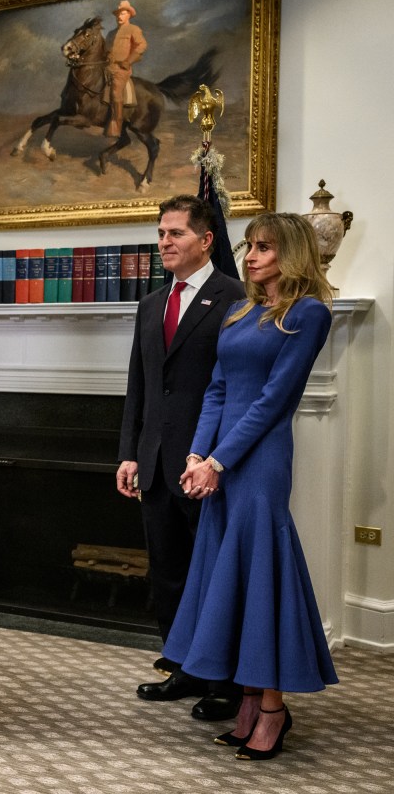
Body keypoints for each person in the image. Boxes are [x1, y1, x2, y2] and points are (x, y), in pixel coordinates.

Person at [165, 212, 339, 761]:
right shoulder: (240, 311)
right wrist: (197, 454)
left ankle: (272, 709)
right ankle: (247, 701)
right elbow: (217, 389)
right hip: (220, 458)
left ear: (293, 253)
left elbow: (273, 401)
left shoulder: (308, 313)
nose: (253, 256)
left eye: (265, 247)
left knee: (260, 577)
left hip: (260, 460)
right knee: (230, 577)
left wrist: (219, 461)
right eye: (251, 246)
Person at [117, 194, 244, 720]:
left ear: (207, 240)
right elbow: (140, 385)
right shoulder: (151, 303)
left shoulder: (235, 297)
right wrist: (129, 453)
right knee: (168, 572)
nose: (165, 242)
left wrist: (215, 460)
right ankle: (183, 667)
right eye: (161, 233)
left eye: (176, 233)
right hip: (154, 463)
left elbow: (236, 390)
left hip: (205, 466)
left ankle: (226, 682)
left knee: (213, 575)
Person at [105, 0, 147, 138]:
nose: (119, 16)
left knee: (116, 92)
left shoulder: (133, 29)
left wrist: (128, 61)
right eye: (118, 14)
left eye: (122, 13)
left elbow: (142, 45)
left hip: (121, 69)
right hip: (107, 67)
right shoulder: (111, 33)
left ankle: (116, 124)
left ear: (129, 15)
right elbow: (106, 50)